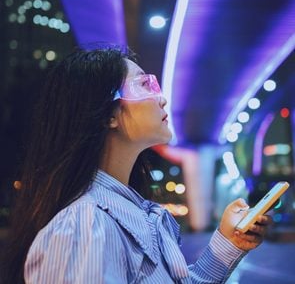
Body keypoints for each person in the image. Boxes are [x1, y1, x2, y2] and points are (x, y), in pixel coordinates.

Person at [1, 46, 272, 284]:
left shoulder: (126, 213)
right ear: (109, 115)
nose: (162, 98)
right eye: (145, 85)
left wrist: (228, 241)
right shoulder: (84, 225)